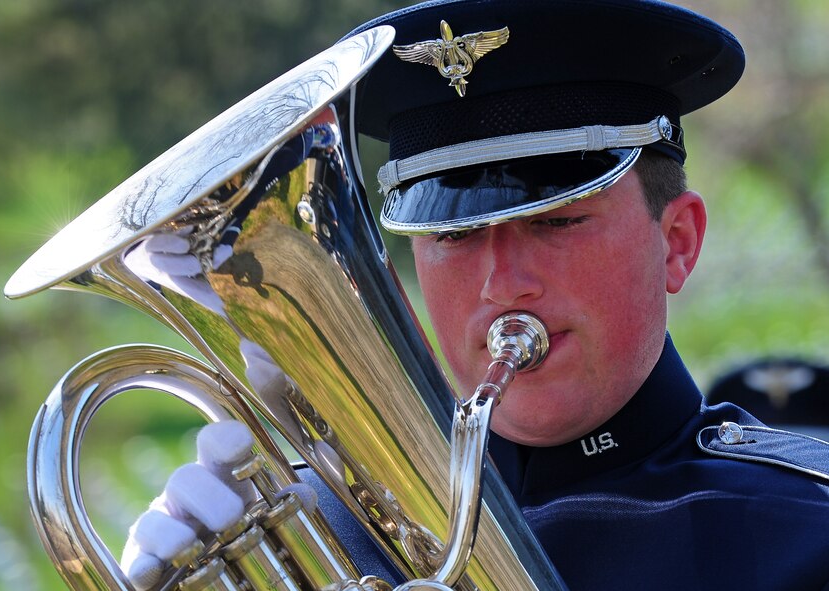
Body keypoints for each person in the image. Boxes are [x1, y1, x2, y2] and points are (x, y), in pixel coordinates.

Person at [122, 0, 829, 589]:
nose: (500, 283)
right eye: (453, 235)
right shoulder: (317, 535)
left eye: (557, 220)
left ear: (676, 241)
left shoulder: (802, 532)